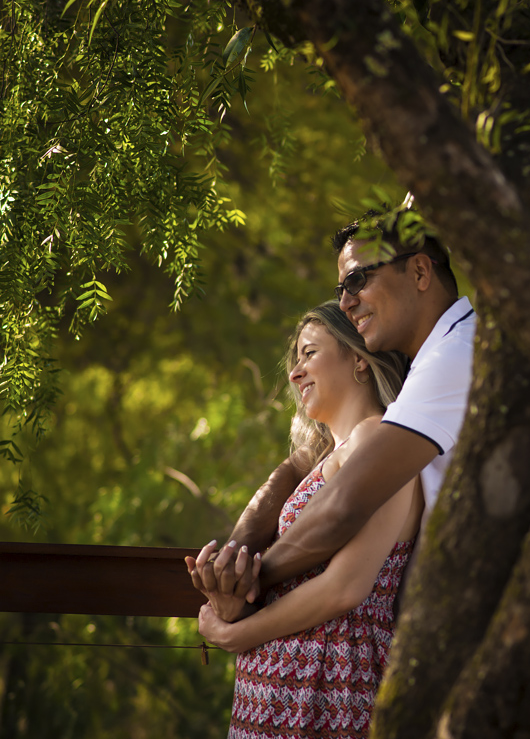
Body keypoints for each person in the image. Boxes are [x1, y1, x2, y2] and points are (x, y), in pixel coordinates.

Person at [191, 216, 475, 618]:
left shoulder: (455, 355)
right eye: (341, 290)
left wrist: (248, 579)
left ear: (419, 271)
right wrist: (237, 549)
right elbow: (303, 461)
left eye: (357, 281)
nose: (345, 301)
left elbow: (345, 504)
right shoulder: (435, 360)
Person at [190, 302, 422, 738]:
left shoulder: (380, 438)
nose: (295, 374)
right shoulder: (329, 456)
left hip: (328, 681)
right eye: (295, 359)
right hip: (281, 685)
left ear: (358, 358)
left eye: (310, 353)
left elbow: (346, 588)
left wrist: (238, 635)